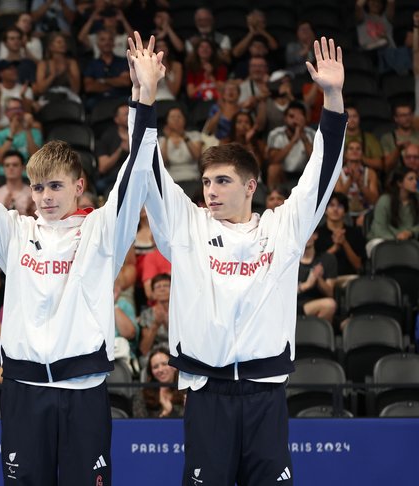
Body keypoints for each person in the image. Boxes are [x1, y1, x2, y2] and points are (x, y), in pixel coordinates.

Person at [0, 31, 164, 485]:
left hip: (84, 392)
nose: (45, 197)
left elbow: (137, 172)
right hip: (24, 393)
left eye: (56, 186)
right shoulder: (16, 233)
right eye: (39, 187)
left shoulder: (103, 230)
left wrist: (144, 95)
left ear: (79, 185)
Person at [143, 37, 347, 485]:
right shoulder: (188, 226)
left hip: (266, 395)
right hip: (206, 394)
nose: (210, 191)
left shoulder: (282, 228)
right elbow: (148, 170)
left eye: (221, 181)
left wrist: (332, 98)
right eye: (206, 181)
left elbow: (322, 171)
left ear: (251, 186)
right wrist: (146, 97)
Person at [366, 167, 419, 256]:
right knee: (378, 246)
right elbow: (379, 228)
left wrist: (410, 232)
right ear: (399, 183)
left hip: (410, 240)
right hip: (384, 238)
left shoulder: (417, 198)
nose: (415, 182)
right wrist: (396, 240)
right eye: (411, 179)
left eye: (416, 179)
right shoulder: (385, 200)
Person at [315, 192, 366, 282]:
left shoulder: (355, 233)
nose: (335, 209)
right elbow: (315, 265)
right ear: (325, 210)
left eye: (340, 206)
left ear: (345, 211)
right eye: (331, 205)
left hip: (351, 278)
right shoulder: (317, 234)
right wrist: (335, 248)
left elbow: (358, 266)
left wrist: (344, 243)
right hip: (325, 280)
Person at [266, 101, 316, 186]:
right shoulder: (275, 134)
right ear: (285, 118)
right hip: (283, 174)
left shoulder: (312, 134)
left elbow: (315, 161)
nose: (295, 120)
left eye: (299, 116)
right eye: (291, 116)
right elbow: (273, 160)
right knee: (273, 168)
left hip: (305, 173)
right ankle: (273, 197)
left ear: (305, 118)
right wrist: (293, 140)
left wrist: (304, 138)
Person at [334, 140, 379, 225]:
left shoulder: (370, 173)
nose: (354, 151)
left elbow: (374, 200)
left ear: (362, 153)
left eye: (358, 149)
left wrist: (361, 185)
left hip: (365, 212)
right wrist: (350, 179)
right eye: (351, 149)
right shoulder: (338, 173)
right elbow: (338, 199)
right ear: (345, 154)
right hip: (345, 214)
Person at [134, 344, 186, 418]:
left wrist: (171, 411)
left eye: (164, 364)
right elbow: (140, 426)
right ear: (151, 372)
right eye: (155, 367)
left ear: (174, 367)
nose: (160, 370)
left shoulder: (186, 393)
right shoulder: (141, 396)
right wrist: (165, 413)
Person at [298, 230, 338, 322]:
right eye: (302, 233)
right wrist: (306, 285)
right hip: (294, 305)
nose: (305, 237)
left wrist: (318, 278)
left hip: (317, 302)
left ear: (315, 235)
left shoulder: (327, 259)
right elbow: (284, 292)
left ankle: (317, 334)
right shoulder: (289, 260)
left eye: (308, 232)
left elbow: (330, 293)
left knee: (330, 305)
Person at [159, 106, 203, 182]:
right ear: (167, 121)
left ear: (184, 120)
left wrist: (184, 136)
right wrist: (166, 138)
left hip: (192, 177)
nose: (176, 119)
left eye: (179, 117)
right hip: (171, 179)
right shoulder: (162, 140)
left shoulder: (194, 135)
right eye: (172, 117)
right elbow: (162, 161)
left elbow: (197, 156)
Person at [0, 150, 33, 215]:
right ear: (3, 168)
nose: (11, 168)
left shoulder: (33, 194)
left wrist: (30, 212)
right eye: (7, 165)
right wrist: (4, 208)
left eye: (15, 165)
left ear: (23, 167)